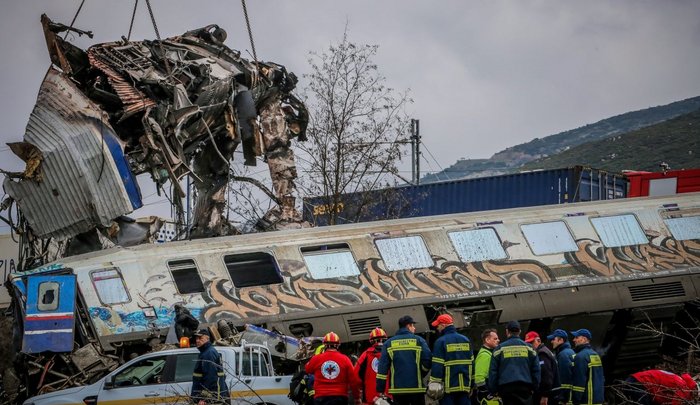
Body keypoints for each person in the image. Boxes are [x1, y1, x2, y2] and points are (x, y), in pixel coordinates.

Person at [377, 315, 432, 405]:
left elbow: (382, 369)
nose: (414, 328)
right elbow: (427, 360)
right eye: (413, 326)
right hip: (416, 388)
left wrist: (380, 389)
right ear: (408, 326)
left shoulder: (388, 343)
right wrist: (420, 373)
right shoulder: (419, 341)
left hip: (398, 390)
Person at [487, 321, 540, 405]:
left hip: (506, 390)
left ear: (507, 331)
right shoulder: (530, 349)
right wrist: (535, 387)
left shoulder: (499, 349)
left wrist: (494, 390)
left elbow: (493, 372)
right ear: (519, 331)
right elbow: (536, 370)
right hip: (525, 389)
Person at [305, 332, 361, 405]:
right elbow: (353, 380)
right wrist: (357, 397)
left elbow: (308, 369)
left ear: (324, 345)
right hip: (340, 397)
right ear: (338, 345)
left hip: (321, 397)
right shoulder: (345, 359)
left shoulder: (316, 359)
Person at [429, 314, 474, 405]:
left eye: (438, 325)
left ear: (444, 325)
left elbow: (437, 366)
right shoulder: (465, 340)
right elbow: (472, 365)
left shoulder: (440, 341)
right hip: (464, 387)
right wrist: (471, 385)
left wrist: (434, 385)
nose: (437, 328)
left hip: (447, 390)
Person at [191, 328, 229, 405]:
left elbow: (211, 378)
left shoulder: (208, 354)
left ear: (207, 338)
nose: (197, 340)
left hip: (212, 400)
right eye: (196, 338)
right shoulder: (205, 352)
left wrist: (204, 398)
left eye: (200, 338)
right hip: (214, 397)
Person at [355, 328, 390, 405]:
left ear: (371, 341)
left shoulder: (365, 355)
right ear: (384, 339)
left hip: (369, 398)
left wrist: (361, 388)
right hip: (388, 397)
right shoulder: (390, 353)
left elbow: (356, 376)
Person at [622, 369, 698, 405]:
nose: (695, 397)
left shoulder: (678, 380)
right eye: (696, 394)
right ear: (694, 388)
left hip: (633, 380)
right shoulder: (684, 387)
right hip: (640, 383)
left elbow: (658, 398)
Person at [570, 329, 604, 405]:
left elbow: (579, 381)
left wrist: (575, 400)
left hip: (586, 401)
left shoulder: (580, 356)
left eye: (576, 337)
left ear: (584, 339)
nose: (574, 340)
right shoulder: (595, 355)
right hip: (597, 399)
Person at [524, 332, 558, 405]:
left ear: (538, 341)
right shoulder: (545, 351)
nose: (529, 345)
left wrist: (545, 396)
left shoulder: (542, 354)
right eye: (527, 343)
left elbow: (546, 375)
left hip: (545, 395)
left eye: (531, 342)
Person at [473, 329, 501, 405]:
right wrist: (486, 393)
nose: (498, 340)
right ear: (487, 340)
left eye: (497, 338)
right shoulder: (484, 355)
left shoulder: (489, 353)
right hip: (487, 396)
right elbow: (479, 377)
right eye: (495, 339)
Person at [547, 329, 574, 405]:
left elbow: (565, 379)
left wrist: (562, 398)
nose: (552, 341)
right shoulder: (570, 351)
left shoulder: (563, 355)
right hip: (571, 395)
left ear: (561, 340)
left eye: (553, 339)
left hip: (566, 398)